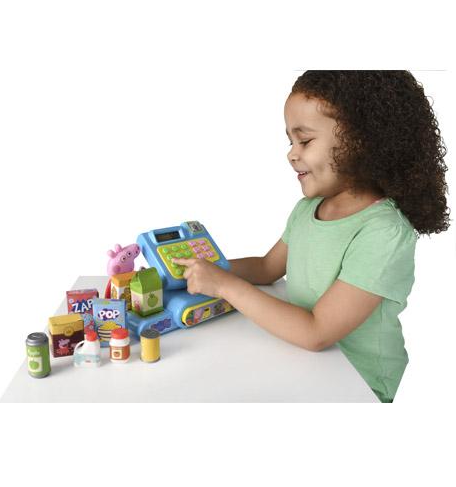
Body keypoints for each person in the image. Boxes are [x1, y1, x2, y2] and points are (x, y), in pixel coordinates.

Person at [173, 71, 450, 403]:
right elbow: (266, 267)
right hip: (304, 363)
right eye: (290, 142)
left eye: (304, 141)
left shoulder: (384, 233)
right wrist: (201, 269)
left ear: (361, 141)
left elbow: (317, 332)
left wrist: (223, 285)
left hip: (357, 386)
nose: (292, 154)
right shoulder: (308, 209)